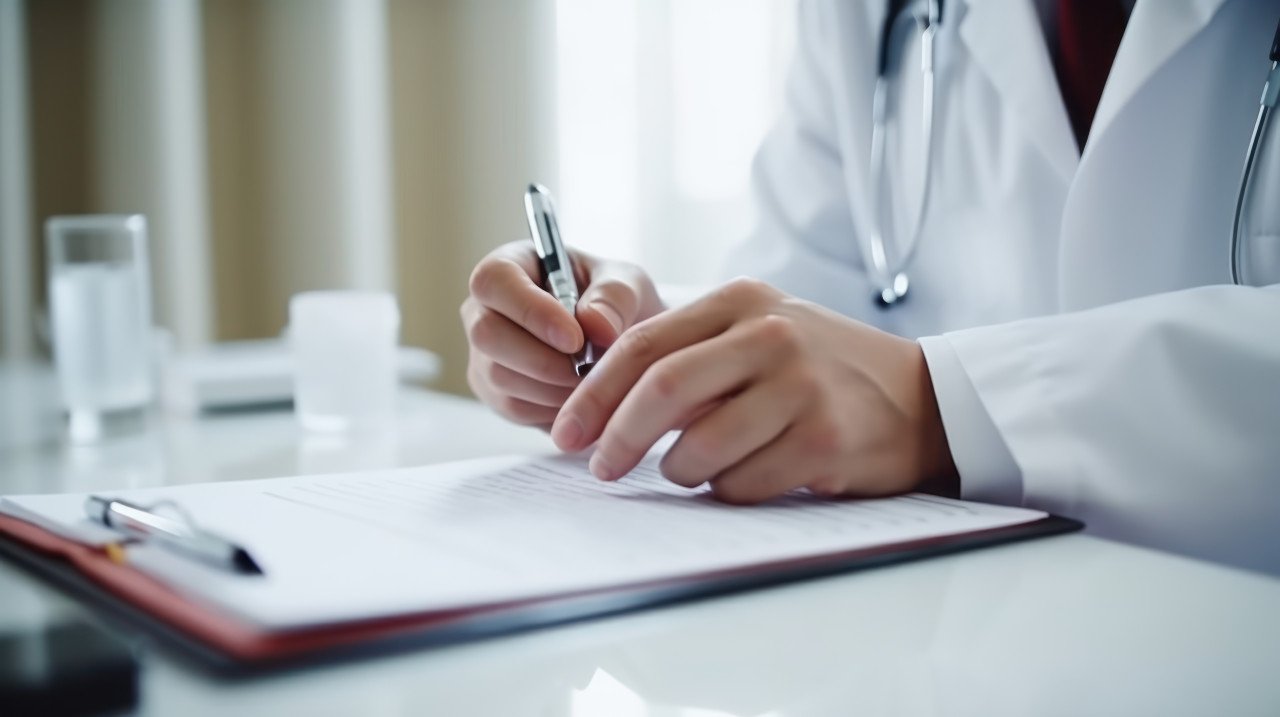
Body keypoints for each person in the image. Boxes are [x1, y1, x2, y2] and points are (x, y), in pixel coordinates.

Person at [459, 0, 1280, 576]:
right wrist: (655, 345)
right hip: (956, 630)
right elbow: (813, 297)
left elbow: (889, 380)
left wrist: (938, 405)